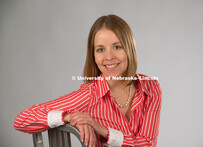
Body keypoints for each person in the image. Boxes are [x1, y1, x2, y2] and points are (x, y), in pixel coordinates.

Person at [14, 14, 162, 147]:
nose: (109, 57)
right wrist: (68, 116)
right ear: (93, 56)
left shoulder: (150, 88)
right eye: (100, 49)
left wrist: (102, 130)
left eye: (117, 47)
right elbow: (22, 120)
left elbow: (147, 144)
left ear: (129, 49)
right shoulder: (89, 95)